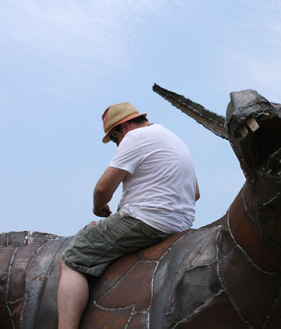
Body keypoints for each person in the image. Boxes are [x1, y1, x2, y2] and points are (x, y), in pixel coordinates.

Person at [57, 102, 199, 328]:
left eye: (115, 140)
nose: (117, 146)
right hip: (181, 224)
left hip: (146, 220)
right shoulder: (174, 138)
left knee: (74, 257)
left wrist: (99, 206)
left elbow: (102, 190)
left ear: (121, 128)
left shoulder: (135, 138)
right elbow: (196, 193)